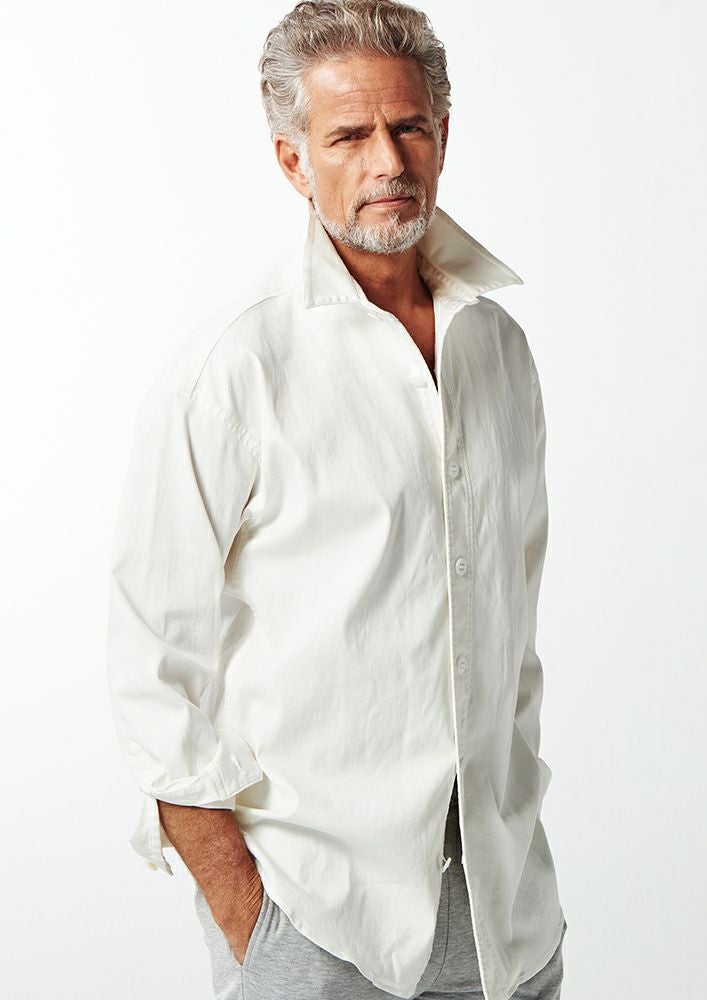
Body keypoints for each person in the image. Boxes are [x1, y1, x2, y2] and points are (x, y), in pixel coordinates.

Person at [106, 1, 568, 998]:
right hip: (318, 920)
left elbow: (511, 630)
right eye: (348, 136)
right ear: (292, 161)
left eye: (407, 127)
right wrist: (254, 924)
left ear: (442, 134)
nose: (387, 162)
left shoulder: (498, 351)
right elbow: (152, 675)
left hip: (504, 923)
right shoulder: (232, 370)